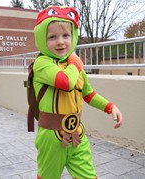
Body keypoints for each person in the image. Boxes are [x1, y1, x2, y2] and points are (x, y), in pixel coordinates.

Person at [32, 6, 123, 179]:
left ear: (73, 36)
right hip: (51, 138)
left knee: (88, 176)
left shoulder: (74, 65)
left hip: (77, 133)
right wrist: (75, 61)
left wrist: (110, 107)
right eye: (52, 37)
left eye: (66, 35)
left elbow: (88, 94)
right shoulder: (42, 63)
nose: (60, 42)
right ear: (42, 39)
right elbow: (65, 82)